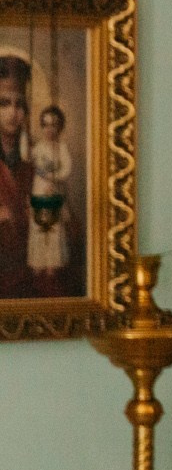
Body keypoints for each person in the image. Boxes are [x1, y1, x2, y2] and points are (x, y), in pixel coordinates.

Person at [0, 56, 35, 299]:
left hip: (28, 279)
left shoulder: (34, 168)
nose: (13, 112)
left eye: (19, 104)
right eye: (4, 103)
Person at [27, 104, 72, 286]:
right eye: (45, 125)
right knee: (39, 225)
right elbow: (28, 163)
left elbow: (67, 169)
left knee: (53, 227)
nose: (49, 129)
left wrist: (55, 179)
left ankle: (52, 264)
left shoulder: (61, 147)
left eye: (53, 125)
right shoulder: (37, 148)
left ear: (59, 127)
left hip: (53, 190)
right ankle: (38, 262)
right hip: (39, 190)